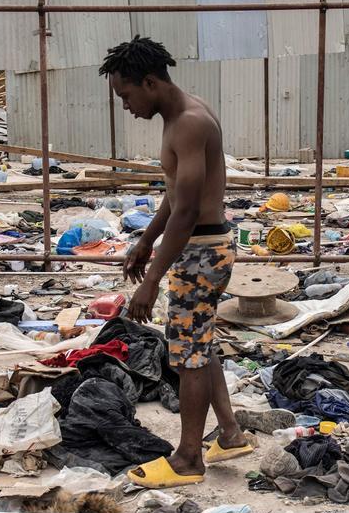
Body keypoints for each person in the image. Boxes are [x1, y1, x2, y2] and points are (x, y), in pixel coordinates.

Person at [98, 35, 252, 488]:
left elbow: (186, 210)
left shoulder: (187, 122)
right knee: (198, 343)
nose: (126, 106)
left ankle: (188, 459)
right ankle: (229, 433)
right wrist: (146, 241)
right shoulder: (183, 114)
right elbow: (177, 195)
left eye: (127, 95)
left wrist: (153, 281)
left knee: (187, 356)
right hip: (202, 245)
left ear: (150, 82)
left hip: (201, 251)